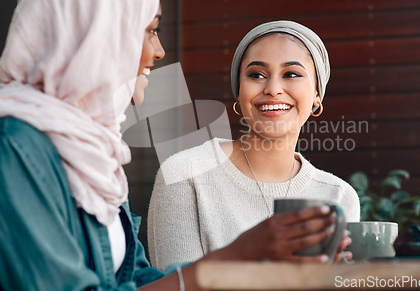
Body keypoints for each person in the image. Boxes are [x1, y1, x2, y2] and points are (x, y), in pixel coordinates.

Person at [0, 0, 350, 290]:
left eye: (293, 75)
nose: (159, 51)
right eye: (148, 30)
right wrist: (236, 259)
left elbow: (135, 280)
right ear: (98, 35)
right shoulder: (13, 148)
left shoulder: (90, 157)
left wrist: (262, 268)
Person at [147, 21, 360, 271]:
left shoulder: (338, 196)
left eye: (291, 74)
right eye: (256, 75)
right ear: (239, 92)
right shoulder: (184, 175)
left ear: (316, 95)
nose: (272, 89)